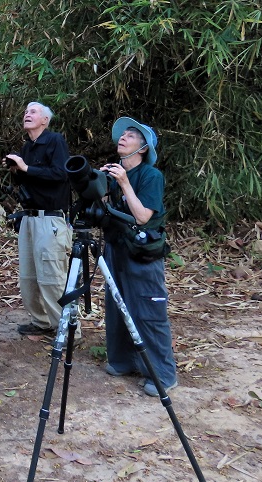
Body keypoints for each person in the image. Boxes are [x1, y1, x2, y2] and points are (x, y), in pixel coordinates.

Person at [100, 117, 177, 397]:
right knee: (117, 305)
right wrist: (99, 185)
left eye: (131, 136)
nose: (123, 137)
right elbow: (107, 211)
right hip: (115, 248)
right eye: (123, 135)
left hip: (143, 251)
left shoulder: (150, 176)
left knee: (148, 309)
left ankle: (162, 374)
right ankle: (123, 361)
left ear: (142, 148)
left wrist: (124, 184)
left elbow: (143, 216)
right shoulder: (114, 173)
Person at [3, 102, 74, 338]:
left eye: (33, 111)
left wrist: (26, 168)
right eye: (25, 111)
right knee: (29, 277)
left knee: (52, 277)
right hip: (29, 219)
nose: (27, 114)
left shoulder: (55, 141)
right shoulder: (27, 147)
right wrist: (16, 171)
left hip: (50, 220)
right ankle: (42, 322)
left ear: (45, 120)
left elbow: (62, 174)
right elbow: (26, 181)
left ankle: (67, 330)